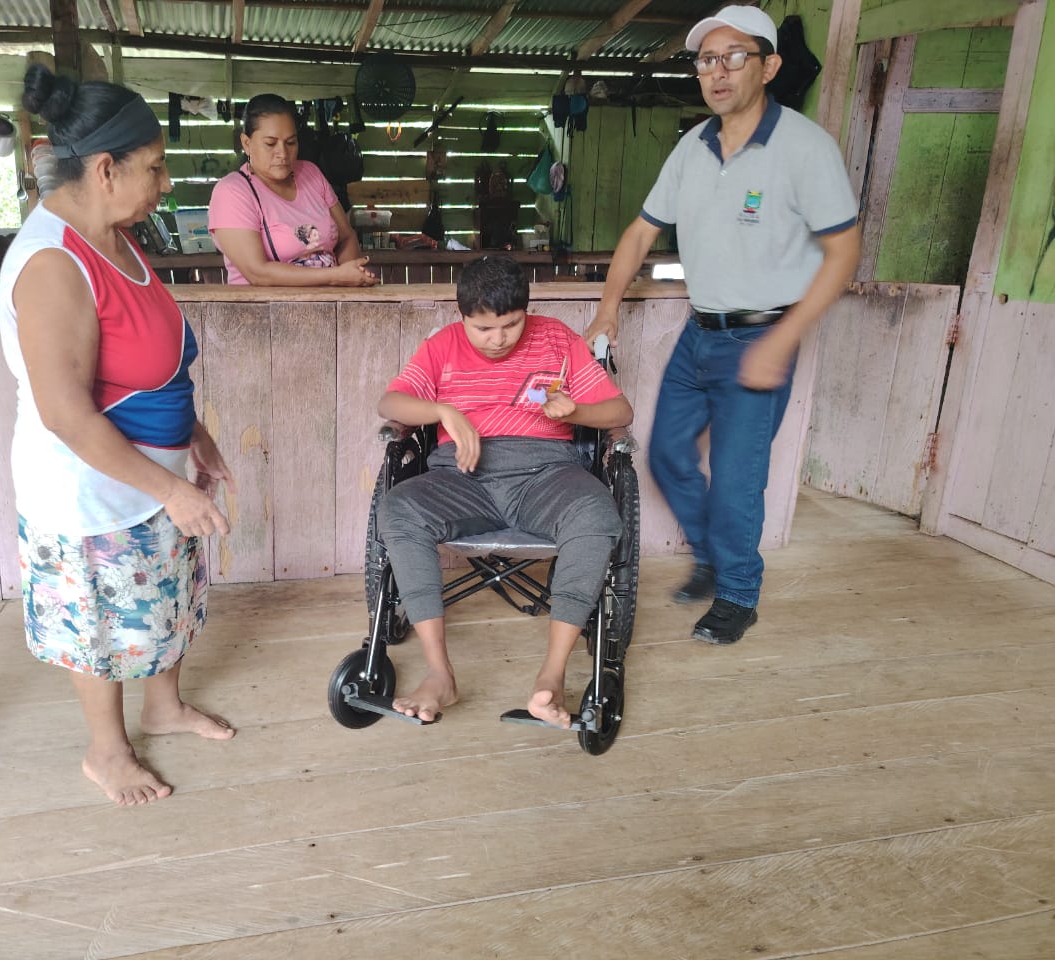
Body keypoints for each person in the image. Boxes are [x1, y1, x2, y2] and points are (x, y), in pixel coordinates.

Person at [584, 5, 860, 646]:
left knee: (738, 478)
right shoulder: (693, 147)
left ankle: (738, 593)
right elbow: (640, 232)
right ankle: (712, 555)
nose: (718, 71)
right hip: (699, 332)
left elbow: (844, 252)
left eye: (735, 56)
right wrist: (607, 307)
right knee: (665, 454)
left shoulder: (805, 148)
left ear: (770, 66)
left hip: (763, 334)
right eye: (707, 59)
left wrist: (783, 339)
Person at [0, 64, 236, 806]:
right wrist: (171, 488)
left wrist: (192, 436)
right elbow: (66, 413)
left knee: (165, 595)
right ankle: (106, 751)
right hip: (90, 486)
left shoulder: (115, 237)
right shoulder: (53, 262)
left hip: (150, 470)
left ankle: (163, 708)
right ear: (106, 169)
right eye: (154, 167)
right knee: (99, 622)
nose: (165, 182)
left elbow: (149, 358)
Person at [376, 256, 634, 727]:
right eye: (482, 328)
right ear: (462, 316)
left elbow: (620, 411)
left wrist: (575, 412)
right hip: (461, 477)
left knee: (596, 516)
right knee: (399, 510)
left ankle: (551, 679)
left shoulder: (557, 339)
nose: (497, 339)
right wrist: (443, 412)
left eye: (511, 325)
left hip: (546, 475)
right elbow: (390, 402)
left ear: (525, 311)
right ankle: (439, 675)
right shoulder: (442, 346)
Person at [209, 93, 377, 286]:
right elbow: (258, 273)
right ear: (247, 143)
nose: (283, 153)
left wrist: (349, 280)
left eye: (290, 142)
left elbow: (347, 237)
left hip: (331, 301)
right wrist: (335, 277)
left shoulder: (311, 174)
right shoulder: (232, 193)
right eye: (270, 144)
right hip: (265, 305)